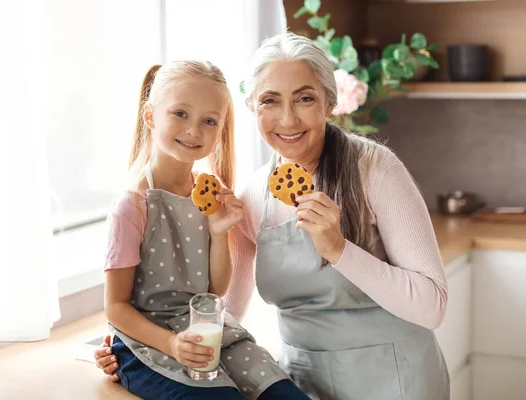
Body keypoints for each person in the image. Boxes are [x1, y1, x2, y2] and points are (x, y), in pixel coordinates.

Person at [98, 33, 450, 399]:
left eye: (305, 98)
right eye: (270, 100)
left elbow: (433, 307)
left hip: (393, 381)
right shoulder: (252, 195)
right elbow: (224, 305)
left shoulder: (374, 169)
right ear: (252, 108)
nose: (287, 118)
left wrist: (340, 250)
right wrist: (138, 353)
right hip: (302, 381)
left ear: (329, 103)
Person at [101, 60, 310, 400]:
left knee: (284, 393)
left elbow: (215, 288)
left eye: (209, 121)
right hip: (146, 345)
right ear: (150, 116)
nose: (194, 130)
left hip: (207, 331)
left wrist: (218, 231)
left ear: (220, 130)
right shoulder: (133, 205)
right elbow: (116, 308)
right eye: (180, 113)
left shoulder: (209, 196)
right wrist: (173, 343)